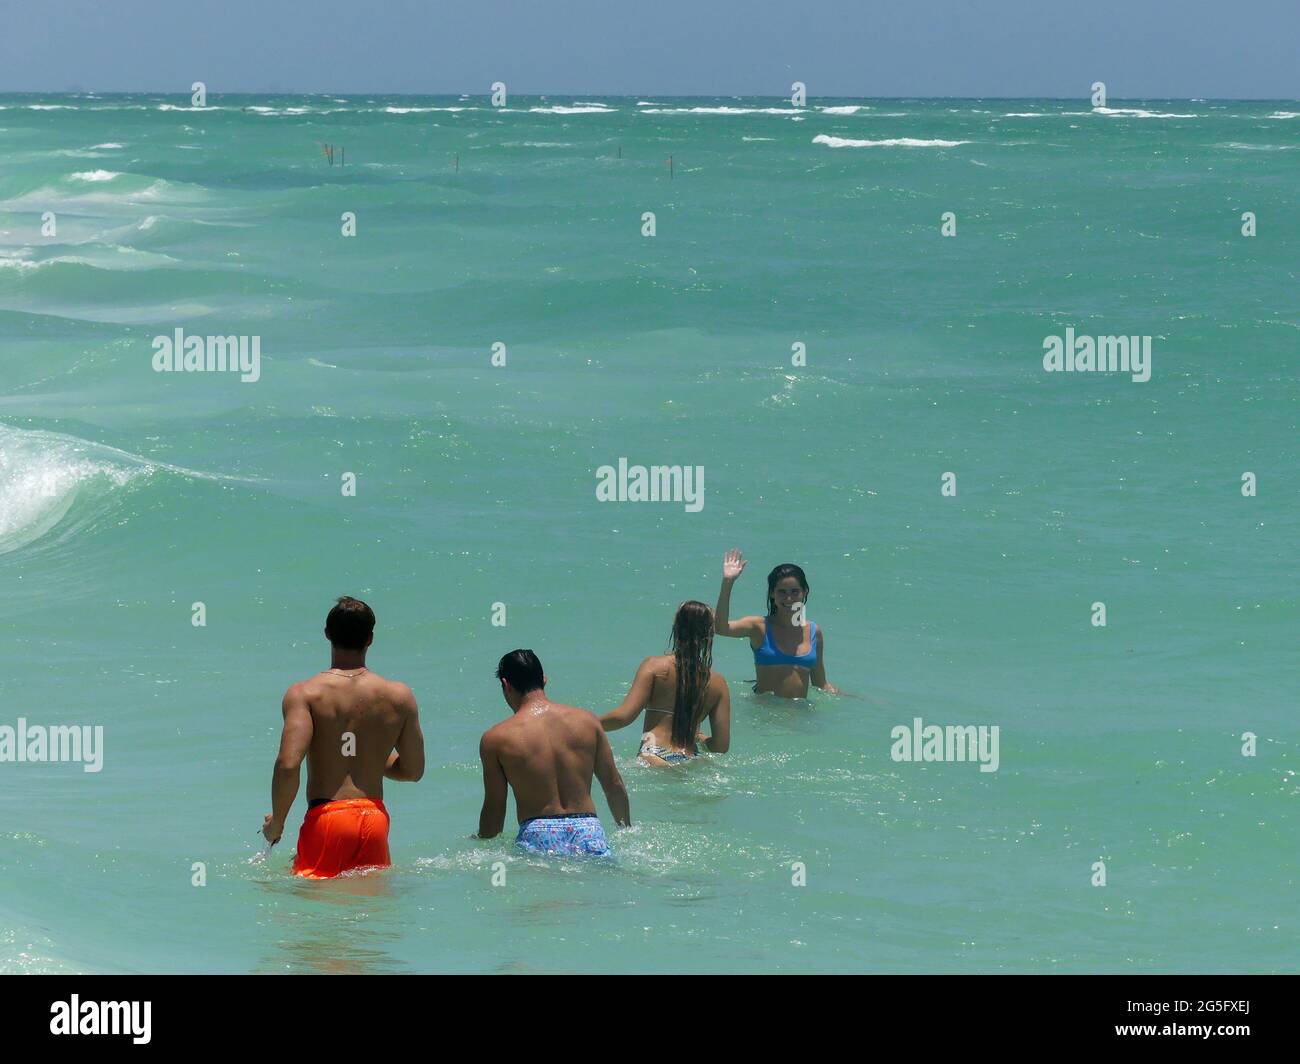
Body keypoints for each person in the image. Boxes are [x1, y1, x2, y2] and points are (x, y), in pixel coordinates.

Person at [262, 597, 425, 878]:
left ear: (327, 633)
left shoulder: (306, 694)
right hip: (374, 820)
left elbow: (288, 765)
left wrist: (277, 823)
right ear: (370, 639)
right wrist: (370, 757)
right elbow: (413, 771)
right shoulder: (399, 696)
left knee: (316, 904)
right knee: (367, 903)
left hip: (327, 818)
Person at [478, 649, 630, 856]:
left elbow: (495, 807)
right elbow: (614, 785)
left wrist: (482, 843)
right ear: (544, 679)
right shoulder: (588, 722)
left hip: (537, 834)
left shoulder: (495, 738)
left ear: (506, 685)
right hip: (588, 830)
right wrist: (627, 830)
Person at [600, 601, 731, 765]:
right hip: (691, 758)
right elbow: (720, 746)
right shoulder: (718, 683)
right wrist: (701, 737)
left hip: (655, 753)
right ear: (709, 635)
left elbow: (623, 717)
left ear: (677, 628)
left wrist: (586, 723)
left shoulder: (653, 666)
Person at [714, 550, 841, 699]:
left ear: (805, 592)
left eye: (795, 592)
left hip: (801, 712)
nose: (789, 598)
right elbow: (721, 628)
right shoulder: (759, 627)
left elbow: (821, 684)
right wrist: (728, 581)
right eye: (782, 592)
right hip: (764, 711)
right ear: (772, 594)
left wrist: (856, 700)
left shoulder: (814, 631)